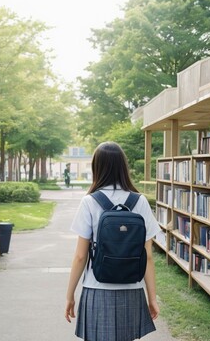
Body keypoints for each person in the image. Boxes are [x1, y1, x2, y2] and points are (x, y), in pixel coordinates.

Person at [65, 141, 161, 341]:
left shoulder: (90, 202)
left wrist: (69, 295)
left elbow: (81, 256)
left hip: (97, 288)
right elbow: (148, 256)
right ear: (123, 166)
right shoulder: (139, 201)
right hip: (132, 290)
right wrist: (152, 297)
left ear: (96, 167)